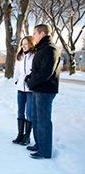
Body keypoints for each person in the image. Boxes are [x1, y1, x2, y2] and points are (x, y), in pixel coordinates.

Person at [25, 24, 61, 159]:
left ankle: (45, 151)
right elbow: (37, 70)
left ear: (43, 34)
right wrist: (30, 77)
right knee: (35, 118)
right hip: (37, 89)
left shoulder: (50, 49)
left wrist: (31, 82)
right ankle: (39, 144)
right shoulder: (42, 48)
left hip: (45, 90)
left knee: (43, 120)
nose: (33, 37)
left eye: (35, 34)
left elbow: (46, 73)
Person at [12, 36, 36, 146]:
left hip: (30, 88)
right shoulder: (20, 56)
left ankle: (27, 136)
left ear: (31, 44)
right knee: (20, 110)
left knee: (29, 112)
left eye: (26, 44)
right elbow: (16, 70)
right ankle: (20, 134)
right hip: (21, 86)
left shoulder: (35, 55)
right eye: (22, 44)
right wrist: (16, 80)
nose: (23, 46)